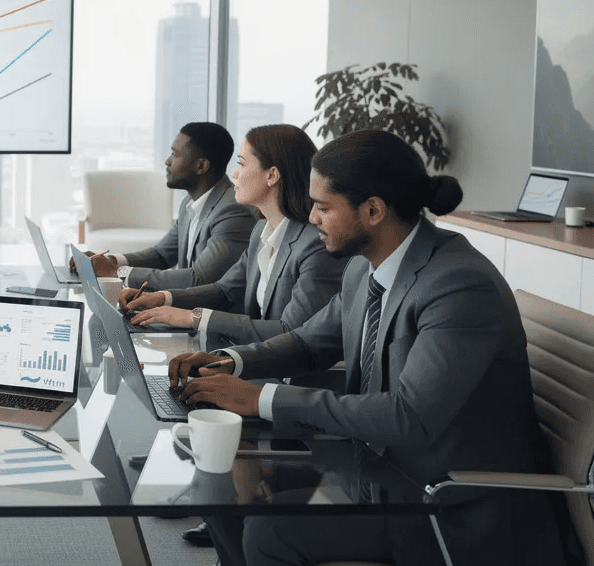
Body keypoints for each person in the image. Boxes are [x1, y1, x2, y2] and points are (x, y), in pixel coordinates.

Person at [167, 129, 568, 566]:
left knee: (270, 530)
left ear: (373, 210)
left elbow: (408, 416)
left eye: (322, 207)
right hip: (379, 472)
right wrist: (231, 362)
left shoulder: (459, 286)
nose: (312, 219)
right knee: (225, 489)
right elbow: (308, 342)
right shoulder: (365, 269)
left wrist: (260, 398)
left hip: (452, 505)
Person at [121, 124, 348, 346]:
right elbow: (225, 291)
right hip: (253, 358)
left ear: (272, 175)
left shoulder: (315, 245)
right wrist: (161, 299)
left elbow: (290, 331)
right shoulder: (261, 230)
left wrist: (194, 318)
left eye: (241, 164)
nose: (234, 174)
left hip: (286, 375)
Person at [77, 121, 255, 290]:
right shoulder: (191, 202)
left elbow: (199, 279)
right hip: (183, 303)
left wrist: (117, 272)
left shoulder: (232, 211)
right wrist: (109, 261)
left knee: (102, 321)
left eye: (175, 154)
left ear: (201, 166)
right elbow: (162, 255)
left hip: (207, 315)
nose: (167, 161)